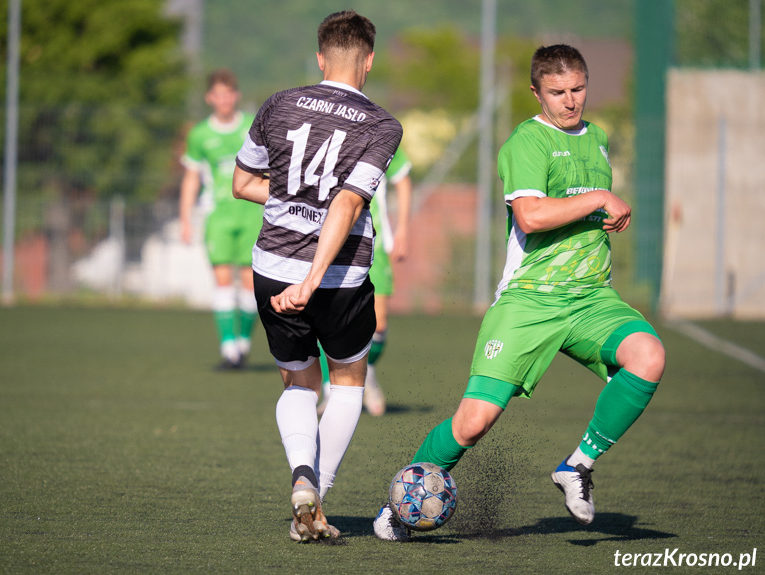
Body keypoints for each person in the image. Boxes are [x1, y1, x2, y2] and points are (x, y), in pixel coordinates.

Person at [374, 44, 666, 541]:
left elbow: (578, 210)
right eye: (557, 92)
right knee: (473, 423)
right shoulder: (527, 142)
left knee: (649, 356)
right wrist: (599, 199)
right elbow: (530, 216)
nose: (570, 101)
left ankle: (576, 466)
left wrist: (604, 213)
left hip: (592, 297)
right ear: (537, 92)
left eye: (577, 89)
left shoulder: (596, 137)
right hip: (530, 300)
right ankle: (399, 508)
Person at [232, 11, 402, 542]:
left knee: (297, 381)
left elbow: (242, 183)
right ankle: (316, 492)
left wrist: (289, 201)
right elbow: (349, 203)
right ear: (368, 60)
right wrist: (314, 278)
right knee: (348, 381)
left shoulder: (278, 104)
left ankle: (303, 477)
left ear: (320, 56)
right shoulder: (382, 125)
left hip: (271, 268)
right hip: (341, 280)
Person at [317, 148, 412, 416]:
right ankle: (331, 391)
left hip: (374, 241)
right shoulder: (326, 136)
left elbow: (402, 180)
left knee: (378, 323)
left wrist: (403, 228)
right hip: (330, 239)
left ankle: (365, 372)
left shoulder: (378, 135)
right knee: (330, 320)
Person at [180, 69, 261, 370]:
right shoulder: (200, 134)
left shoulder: (252, 126)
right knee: (223, 281)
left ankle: (243, 341)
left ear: (236, 96)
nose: (224, 100)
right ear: (209, 98)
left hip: (252, 212)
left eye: (229, 93)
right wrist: (186, 218)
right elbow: (191, 178)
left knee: (252, 283)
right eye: (218, 94)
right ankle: (229, 349)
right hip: (219, 216)